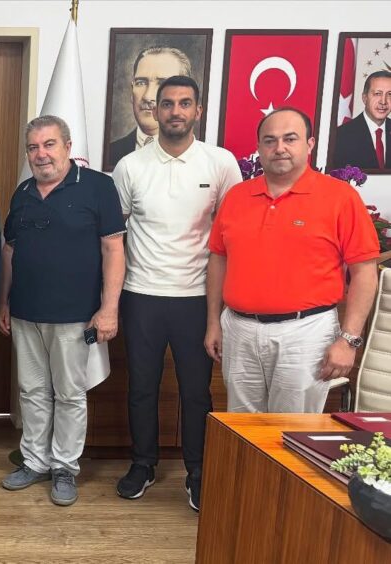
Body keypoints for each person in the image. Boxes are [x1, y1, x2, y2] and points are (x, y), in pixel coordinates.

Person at [113, 76, 243, 513]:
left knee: (196, 393)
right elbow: (113, 236)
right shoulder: (130, 166)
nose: (175, 111)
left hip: (197, 298)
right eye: (167, 104)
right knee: (141, 388)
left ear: (198, 111)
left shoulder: (220, 163)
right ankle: (143, 464)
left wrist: (220, 310)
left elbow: (230, 237)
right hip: (141, 294)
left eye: (184, 103)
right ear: (155, 110)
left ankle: (199, 472)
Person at [205, 107, 379, 414]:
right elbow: (218, 260)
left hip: (306, 333)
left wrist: (348, 340)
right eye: (270, 140)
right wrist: (213, 323)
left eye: (290, 139)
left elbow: (364, 272)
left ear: (310, 144)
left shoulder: (340, 197)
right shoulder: (236, 197)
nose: (279, 148)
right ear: (259, 148)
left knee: (292, 431)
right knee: (242, 430)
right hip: (239, 331)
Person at [0, 115, 125, 506]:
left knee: (69, 395)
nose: (41, 154)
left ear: (68, 147)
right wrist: (4, 301)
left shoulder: (98, 187)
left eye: (49, 144)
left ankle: (65, 467)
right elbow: (10, 250)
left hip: (74, 316)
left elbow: (113, 249)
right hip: (25, 313)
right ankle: (35, 461)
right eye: (33, 147)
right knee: (32, 391)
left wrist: (109, 308)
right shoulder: (22, 193)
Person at [106, 46, 192, 169]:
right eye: (141, 83)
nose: (147, 96)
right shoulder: (112, 153)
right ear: (132, 91)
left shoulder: (207, 161)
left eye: (162, 84)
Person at [331, 70, 391, 170]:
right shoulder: (340, 136)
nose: (383, 101)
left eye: (389, 94)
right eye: (377, 94)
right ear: (364, 98)